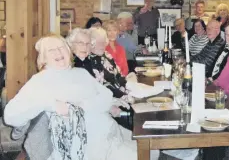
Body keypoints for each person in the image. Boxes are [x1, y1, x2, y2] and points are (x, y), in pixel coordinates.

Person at [4, 34, 137, 159]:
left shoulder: (80, 73)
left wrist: (83, 105)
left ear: (68, 51)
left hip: (113, 135)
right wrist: (51, 105)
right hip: (88, 149)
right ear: (43, 58)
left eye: (61, 47)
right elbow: (10, 116)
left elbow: (107, 96)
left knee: (151, 148)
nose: (58, 52)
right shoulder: (40, 81)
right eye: (51, 50)